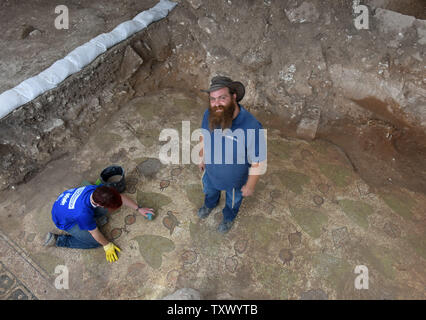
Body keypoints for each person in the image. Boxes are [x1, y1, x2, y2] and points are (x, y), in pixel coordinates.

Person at [197, 76, 267, 233]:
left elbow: (258, 160)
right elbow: (204, 135)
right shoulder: (210, 114)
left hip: (235, 181)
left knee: (233, 202)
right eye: (213, 99)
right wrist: (201, 156)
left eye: (222, 98)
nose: (217, 104)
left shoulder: (252, 126)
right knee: (209, 191)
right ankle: (210, 204)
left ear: (233, 96)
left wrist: (250, 185)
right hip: (211, 172)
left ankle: (228, 218)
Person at [44, 184, 154, 263]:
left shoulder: (97, 190)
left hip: (66, 204)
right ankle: (59, 240)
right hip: (64, 220)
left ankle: (92, 221)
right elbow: (94, 233)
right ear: (99, 204)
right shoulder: (83, 213)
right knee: (96, 242)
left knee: (105, 209)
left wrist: (139, 209)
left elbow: (119, 197)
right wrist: (107, 245)